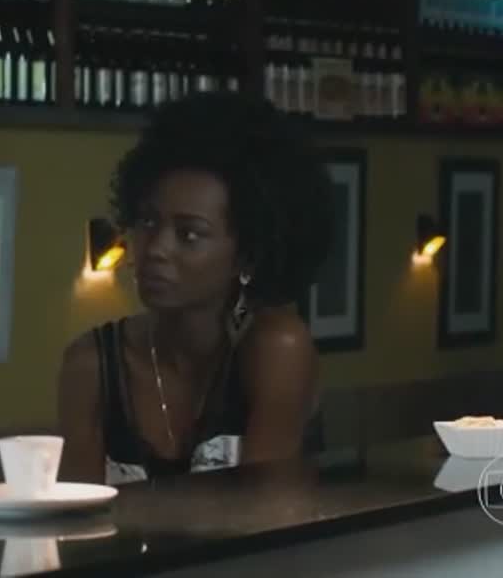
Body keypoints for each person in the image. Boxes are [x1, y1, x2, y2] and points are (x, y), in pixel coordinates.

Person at [57, 93, 333, 485]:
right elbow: (77, 514)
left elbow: (263, 508)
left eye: (189, 234)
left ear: (246, 256)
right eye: (148, 222)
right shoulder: (92, 365)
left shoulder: (276, 347)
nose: (156, 249)